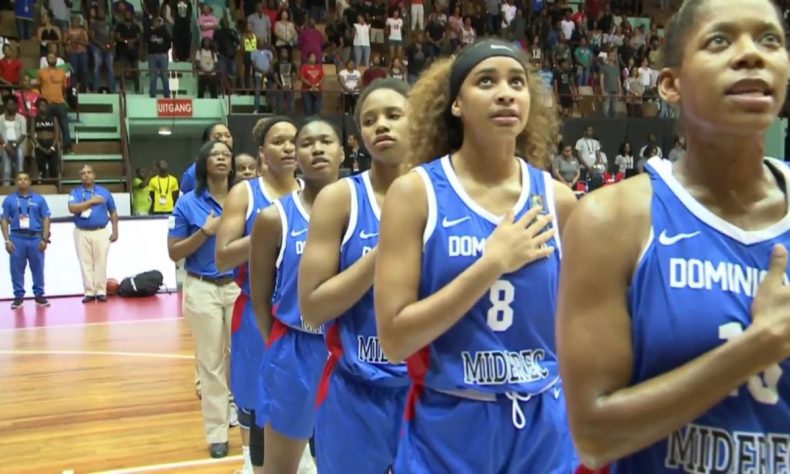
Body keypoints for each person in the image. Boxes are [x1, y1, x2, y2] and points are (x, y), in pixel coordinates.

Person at [556, 1, 790, 472]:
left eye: (770, 40)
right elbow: (594, 438)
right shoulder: (610, 220)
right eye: (719, 41)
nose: (752, 55)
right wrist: (756, 348)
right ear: (670, 84)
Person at [374, 40, 578, 473]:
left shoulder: (558, 200)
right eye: (486, 81)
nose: (505, 92)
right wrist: (490, 265)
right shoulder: (416, 194)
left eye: (517, 82)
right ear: (456, 105)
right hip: (449, 423)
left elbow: (579, 327)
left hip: (542, 423)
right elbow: (394, 340)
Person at [299, 78, 410, 473]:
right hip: (355, 392)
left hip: (429, 391)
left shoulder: (445, 196)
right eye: (369, 119)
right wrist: (387, 252)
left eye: (394, 115)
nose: (381, 125)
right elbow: (311, 307)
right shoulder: (341, 199)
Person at [249, 118, 343, 474]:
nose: (317, 149)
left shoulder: (371, 209)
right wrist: (279, 347)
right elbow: (260, 299)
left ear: (343, 151)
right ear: (296, 158)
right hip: (296, 349)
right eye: (306, 144)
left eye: (326, 141)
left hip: (349, 348)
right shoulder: (274, 218)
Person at [215, 116, 300, 474]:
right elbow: (223, 255)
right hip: (257, 309)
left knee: (301, 399)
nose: (289, 147)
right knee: (254, 400)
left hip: (305, 314)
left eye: (294, 140)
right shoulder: (246, 193)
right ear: (262, 152)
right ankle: (251, 463)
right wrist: (269, 230)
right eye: (279, 141)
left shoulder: (317, 192)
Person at [168, 140, 239, 459]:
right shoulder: (187, 203)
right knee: (210, 363)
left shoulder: (244, 198)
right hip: (201, 287)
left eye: (226, 154)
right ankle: (217, 432)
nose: (222, 158)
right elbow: (173, 252)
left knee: (241, 357)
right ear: (203, 162)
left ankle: (247, 419)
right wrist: (205, 233)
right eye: (215, 154)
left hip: (239, 286)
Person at [67, 165, 119, 303]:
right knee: (85, 263)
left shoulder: (104, 192)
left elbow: (113, 211)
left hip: (100, 231)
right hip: (81, 232)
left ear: (94, 175)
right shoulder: (76, 192)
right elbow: (72, 208)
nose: (86, 175)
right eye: (83, 173)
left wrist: (115, 230)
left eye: (89, 172)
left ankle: (101, 291)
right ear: (80, 177)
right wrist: (91, 201)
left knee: (100, 262)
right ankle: (89, 292)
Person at [1, 172, 51, 309]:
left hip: (35, 237)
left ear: (30, 182)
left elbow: (46, 218)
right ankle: (18, 297)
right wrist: (6, 240)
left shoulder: (39, 199)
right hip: (17, 238)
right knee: (16, 269)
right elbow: (4, 219)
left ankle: (39, 296)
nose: (22, 182)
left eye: (25, 179)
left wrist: (44, 239)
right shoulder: (9, 200)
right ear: (16, 182)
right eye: (20, 179)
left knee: (38, 268)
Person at [181, 123, 234, 195]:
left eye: (228, 136)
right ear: (207, 142)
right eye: (218, 137)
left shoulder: (238, 165)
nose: (224, 140)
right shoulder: (192, 173)